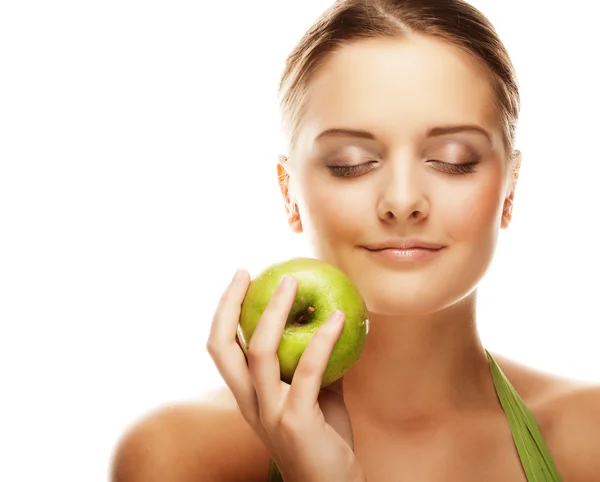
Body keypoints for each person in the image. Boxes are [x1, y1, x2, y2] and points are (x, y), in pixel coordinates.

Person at [110, 1, 600, 481]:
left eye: (453, 158)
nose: (403, 199)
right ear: (290, 193)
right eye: (350, 162)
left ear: (510, 187)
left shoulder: (589, 436)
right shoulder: (178, 457)